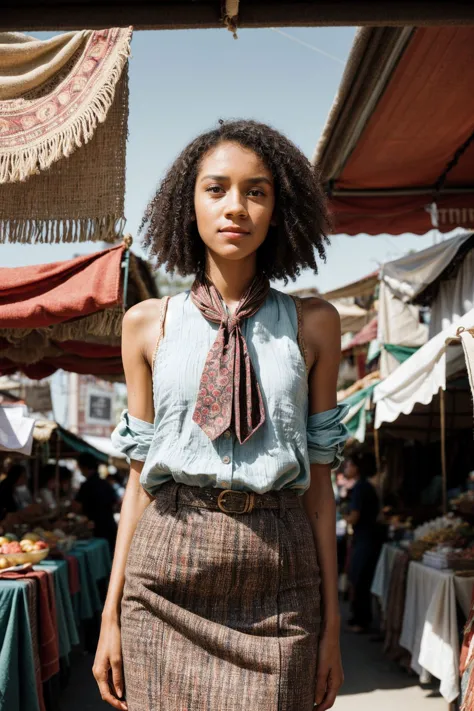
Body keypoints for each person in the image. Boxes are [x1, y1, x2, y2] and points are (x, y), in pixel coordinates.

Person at [94, 120, 349, 711]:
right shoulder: (146, 324)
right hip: (164, 583)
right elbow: (138, 481)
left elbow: (321, 489)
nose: (236, 206)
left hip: (280, 580)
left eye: (256, 191)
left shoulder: (315, 324)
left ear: (279, 210)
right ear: (189, 205)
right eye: (216, 189)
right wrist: (110, 616)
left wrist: (332, 630)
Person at [344, 450, 381, 633]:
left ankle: (361, 620)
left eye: (349, 464)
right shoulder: (365, 486)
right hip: (368, 538)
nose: (346, 467)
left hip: (365, 539)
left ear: (357, 468)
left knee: (360, 579)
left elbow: (355, 516)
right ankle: (360, 618)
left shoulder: (360, 488)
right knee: (361, 579)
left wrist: (346, 516)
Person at [75, 453, 118, 552]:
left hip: (95, 530)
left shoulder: (86, 486)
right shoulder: (106, 484)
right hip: (110, 526)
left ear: (84, 467)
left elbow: (76, 507)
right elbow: (115, 502)